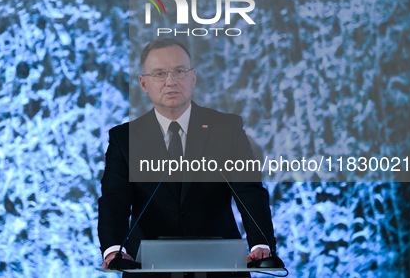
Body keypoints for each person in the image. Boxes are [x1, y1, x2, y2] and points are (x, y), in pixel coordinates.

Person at [98, 38, 276, 277]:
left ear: (193, 77)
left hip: (220, 266)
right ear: (143, 83)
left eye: (179, 71)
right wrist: (113, 249)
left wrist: (260, 244)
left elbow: (249, 190)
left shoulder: (226, 128)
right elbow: (114, 199)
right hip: (148, 268)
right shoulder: (124, 138)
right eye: (159, 73)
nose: (171, 81)